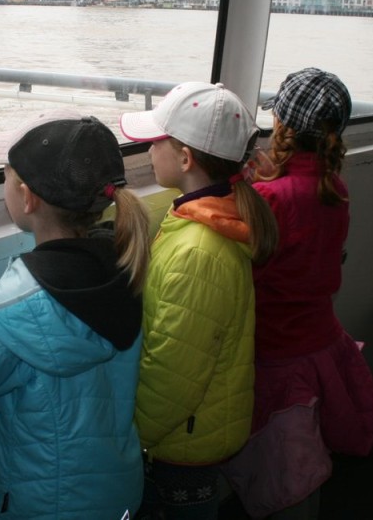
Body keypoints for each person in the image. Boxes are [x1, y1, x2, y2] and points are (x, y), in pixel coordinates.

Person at [0, 111, 151, 520]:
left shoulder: (15, 305)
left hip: (44, 506)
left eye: (5, 177)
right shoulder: (125, 264)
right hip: (116, 489)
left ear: (27, 197)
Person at [222, 69, 373, 520]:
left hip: (278, 354)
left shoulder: (272, 197)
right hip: (320, 342)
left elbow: (250, 271)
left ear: (283, 127)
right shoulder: (335, 189)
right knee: (304, 456)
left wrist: (251, 189)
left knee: (287, 474)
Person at [119, 82, 279, 520]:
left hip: (178, 444)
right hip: (191, 432)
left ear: (186, 158)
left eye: (156, 143)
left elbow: (174, 373)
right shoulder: (197, 216)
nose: (148, 153)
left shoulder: (198, 253)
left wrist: (131, 437)